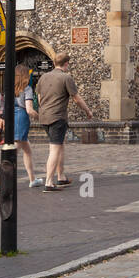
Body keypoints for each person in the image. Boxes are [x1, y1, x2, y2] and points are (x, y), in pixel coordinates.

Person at [35, 53, 94, 191]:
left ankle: (61, 177)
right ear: (66, 63)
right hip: (57, 117)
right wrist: (88, 111)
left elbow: (39, 97)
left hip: (44, 117)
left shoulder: (43, 77)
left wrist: (45, 109)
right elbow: (76, 98)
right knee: (54, 149)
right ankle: (49, 182)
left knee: (59, 145)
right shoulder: (66, 78)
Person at [0, 64, 44, 191]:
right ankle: (0, 182)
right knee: (12, 153)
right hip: (21, 118)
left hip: (11, 117)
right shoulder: (27, 89)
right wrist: (40, 117)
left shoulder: (9, 88)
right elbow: (29, 109)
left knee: (27, 151)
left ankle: (33, 180)